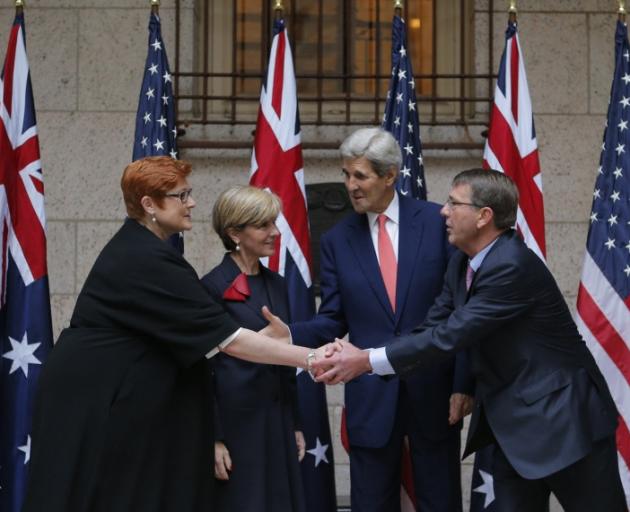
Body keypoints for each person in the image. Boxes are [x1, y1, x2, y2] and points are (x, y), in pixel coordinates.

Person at [22, 157, 329, 512]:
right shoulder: (143, 257)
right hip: (100, 407)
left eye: (189, 193)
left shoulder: (149, 250)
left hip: (121, 405)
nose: (192, 203)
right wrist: (310, 357)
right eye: (181, 196)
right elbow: (228, 339)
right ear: (149, 204)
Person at [314, 168, 626, 511]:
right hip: (514, 427)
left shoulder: (511, 266)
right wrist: (365, 358)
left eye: (453, 203)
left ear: (483, 216)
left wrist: (365, 361)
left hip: (564, 423)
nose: (443, 211)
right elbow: (430, 327)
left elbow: (449, 336)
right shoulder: (462, 261)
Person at [264, 127, 473, 512]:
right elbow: (332, 320)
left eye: (359, 175)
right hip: (371, 398)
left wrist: (464, 384)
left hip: (434, 394)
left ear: (390, 175)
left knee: (440, 501)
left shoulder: (437, 224)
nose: (350, 185)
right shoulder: (337, 239)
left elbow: (462, 314)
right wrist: (290, 333)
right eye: (346, 175)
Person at [200, 185, 306, 512]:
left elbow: (284, 356)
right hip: (236, 426)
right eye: (264, 226)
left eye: (274, 223)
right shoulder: (211, 286)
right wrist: (214, 437)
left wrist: (296, 423)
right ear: (234, 232)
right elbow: (203, 370)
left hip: (276, 418)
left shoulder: (277, 282)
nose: (275, 233)